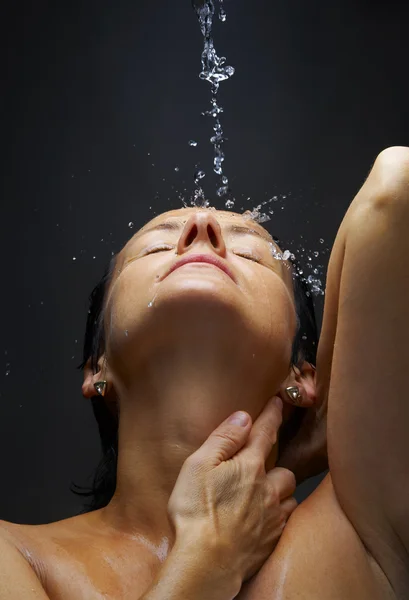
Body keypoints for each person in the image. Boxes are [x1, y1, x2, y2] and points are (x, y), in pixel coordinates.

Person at [0, 146, 408, 599]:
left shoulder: (360, 528)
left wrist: (324, 417)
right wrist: (209, 560)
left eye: (252, 254)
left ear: (301, 376)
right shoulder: (14, 556)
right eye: (157, 245)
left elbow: (399, 181)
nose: (203, 227)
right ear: (99, 365)